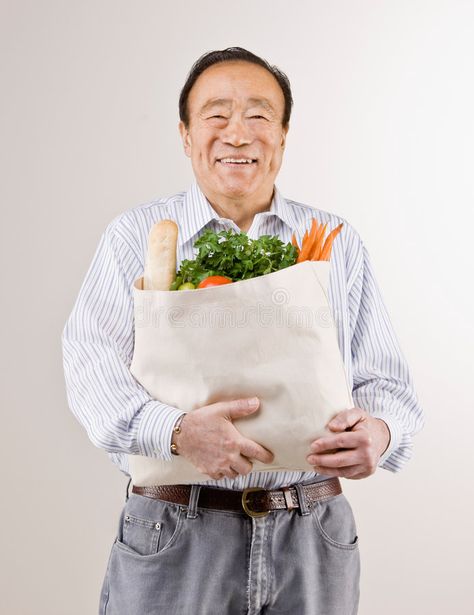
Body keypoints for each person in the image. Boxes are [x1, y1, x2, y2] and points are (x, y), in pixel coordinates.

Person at [61, 47, 424, 615]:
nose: (237, 133)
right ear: (185, 135)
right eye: (216, 115)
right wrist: (176, 431)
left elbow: (386, 383)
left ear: (283, 135)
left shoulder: (336, 239)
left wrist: (379, 432)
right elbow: (90, 368)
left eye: (258, 116)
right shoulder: (136, 235)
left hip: (312, 531)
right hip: (175, 529)